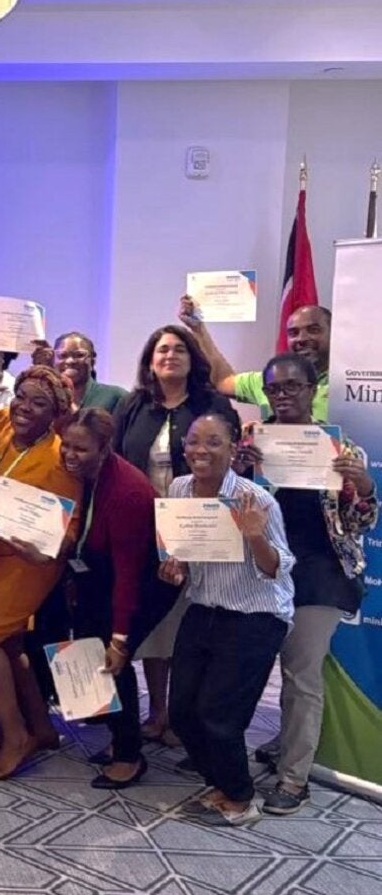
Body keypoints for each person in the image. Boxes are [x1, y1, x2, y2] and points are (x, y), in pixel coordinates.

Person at [235, 353, 377, 815]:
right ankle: (266, 745)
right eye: (274, 388)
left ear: (312, 390)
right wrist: (238, 471)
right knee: (251, 667)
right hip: (262, 568)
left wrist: (363, 487)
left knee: (300, 675)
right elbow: (232, 506)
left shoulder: (340, 448)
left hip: (318, 573)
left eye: (293, 386)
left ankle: (294, 779)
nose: (283, 395)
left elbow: (361, 523)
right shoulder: (252, 440)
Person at [160, 413, 294, 827]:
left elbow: (278, 568)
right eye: (194, 441)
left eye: (213, 442)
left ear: (233, 449)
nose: (201, 450)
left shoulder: (256, 500)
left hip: (256, 615)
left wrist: (254, 534)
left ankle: (240, 799)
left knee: (218, 715)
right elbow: (183, 549)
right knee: (181, 712)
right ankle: (219, 783)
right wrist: (176, 565)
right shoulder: (179, 488)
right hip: (205, 606)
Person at [112, 325, 240, 746]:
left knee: (191, 623)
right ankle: (158, 711)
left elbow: (232, 459)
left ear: (192, 358)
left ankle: (186, 716)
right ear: (151, 361)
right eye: (162, 349)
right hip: (144, 530)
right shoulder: (133, 405)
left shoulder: (212, 404)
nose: (170, 355)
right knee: (157, 626)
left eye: (179, 349)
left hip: (200, 528)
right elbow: (114, 459)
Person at [0, 366, 81, 780]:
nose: (24, 407)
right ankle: (42, 727)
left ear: (55, 414)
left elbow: (70, 529)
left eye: (39, 403)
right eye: (21, 396)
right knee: (10, 642)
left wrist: (46, 548)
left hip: (31, 561)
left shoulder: (59, 457)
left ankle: (14, 735)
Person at [57, 408, 161, 789]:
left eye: (80, 449)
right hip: (101, 571)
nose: (69, 454)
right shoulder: (84, 475)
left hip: (144, 581)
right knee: (88, 647)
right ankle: (118, 736)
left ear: (104, 449)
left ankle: (129, 757)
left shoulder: (128, 491)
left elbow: (129, 574)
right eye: (66, 445)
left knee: (114, 661)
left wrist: (120, 638)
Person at [180, 298, 331, 420]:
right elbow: (222, 381)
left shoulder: (344, 388)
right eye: (293, 333)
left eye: (313, 330)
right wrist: (198, 329)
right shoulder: (268, 381)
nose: (302, 339)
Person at [34, 332, 129, 413]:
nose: (70, 361)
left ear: (93, 360)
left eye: (79, 355)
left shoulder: (116, 397)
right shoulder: (47, 398)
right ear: (53, 361)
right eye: (62, 355)